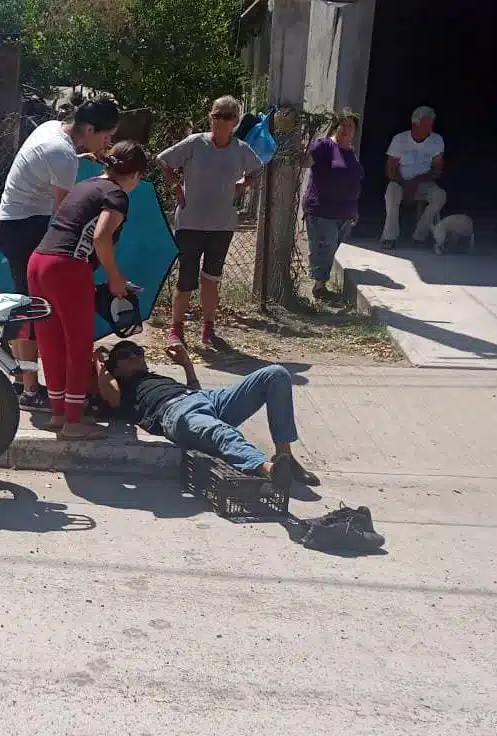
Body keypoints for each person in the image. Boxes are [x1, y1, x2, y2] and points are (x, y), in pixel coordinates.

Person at [0, 97, 121, 412]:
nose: (108, 143)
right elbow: (66, 215)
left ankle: (25, 379)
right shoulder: (63, 156)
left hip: (15, 222)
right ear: (90, 129)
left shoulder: (53, 129)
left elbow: (55, 163)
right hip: (24, 227)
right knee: (32, 309)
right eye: (106, 137)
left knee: (32, 306)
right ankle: (29, 390)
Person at [27, 141, 150, 441]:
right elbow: (101, 237)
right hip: (68, 267)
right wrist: (115, 277)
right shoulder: (116, 195)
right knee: (78, 346)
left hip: (39, 262)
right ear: (133, 174)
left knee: (51, 341)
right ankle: (73, 422)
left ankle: (58, 413)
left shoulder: (87, 185)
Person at [94, 340, 320, 490]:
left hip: (207, 399)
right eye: (125, 354)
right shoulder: (121, 388)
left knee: (276, 374)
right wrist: (98, 363)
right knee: (221, 433)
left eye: (138, 352)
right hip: (175, 413)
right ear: (114, 368)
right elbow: (110, 397)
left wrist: (187, 366)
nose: (134, 356)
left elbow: (195, 391)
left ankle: (285, 458)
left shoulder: (153, 378)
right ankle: (268, 470)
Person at [157, 96, 263, 348]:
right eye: (216, 116)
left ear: (236, 121)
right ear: (210, 118)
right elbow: (163, 160)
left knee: (211, 278)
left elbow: (257, 169)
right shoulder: (195, 143)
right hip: (190, 223)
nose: (220, 121)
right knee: (186, 279)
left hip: (221, 225)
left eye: (226, 117)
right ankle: (176, 328)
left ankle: (208, 327)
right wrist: (176, 185)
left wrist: (244, 184)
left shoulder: (240, 149)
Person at [303, 110, 364, 299]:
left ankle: (320, 282)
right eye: (343, 125)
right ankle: (319, 286)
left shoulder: (351, 153)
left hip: (344, 212)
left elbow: (354, 183)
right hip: (322, 209)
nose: (346, 129)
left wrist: (354, 210)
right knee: (325, 246)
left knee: (331, 248)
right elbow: (306, 160)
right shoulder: (325, 146)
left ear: (355, 131)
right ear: (336, 126)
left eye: (350, 126)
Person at [380, 106, 446, 249]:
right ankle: (389, 237)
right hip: (400, 181)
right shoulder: (400, 139)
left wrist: (417, 182)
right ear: (415, 124)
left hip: (423, 182)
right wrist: (406, 184)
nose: (429, 128)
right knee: (391, 194)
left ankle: (420, 236)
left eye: (431, 124)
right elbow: (390, 169)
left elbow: (437, 169)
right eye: (425, 124)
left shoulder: (437, 140)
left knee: (440, 195)